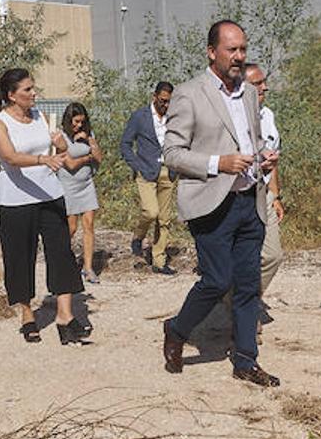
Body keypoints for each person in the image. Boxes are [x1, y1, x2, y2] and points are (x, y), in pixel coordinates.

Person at [161, 20, 279, 387]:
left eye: (243, 49)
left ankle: (246, 360)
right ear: (212, 52)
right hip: (211, 204)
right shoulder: (188, 94)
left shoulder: (249, 94)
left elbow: (252, 141)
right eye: (232, 50)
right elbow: (172, 154)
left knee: (248, 285)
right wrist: (218, 163)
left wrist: (264, 157)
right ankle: (177, 330)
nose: (239, 56)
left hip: (250, 200)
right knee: (217, 280)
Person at [0, 68, 90, 346]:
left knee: (62, 252)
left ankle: (65, 316)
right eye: (27, 89)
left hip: (49, 195)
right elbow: (9, 157)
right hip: (16, 200)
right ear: (12, 95)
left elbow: (62, 155)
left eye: (33, 88)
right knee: (20, 257)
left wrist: (61, 146)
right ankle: (27, 314)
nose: (34, 93)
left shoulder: (41, 116)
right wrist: (42, 160)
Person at [120, 81, 178, 274]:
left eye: (169, 101)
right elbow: (125, 144)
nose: (166, 105)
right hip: (146, 171)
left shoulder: (174, 117)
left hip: (168, 172)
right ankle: (138, 237)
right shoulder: (140, 116)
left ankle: (159, 261)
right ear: (154, 97)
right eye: (163, 101)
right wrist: (137, 166)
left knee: (164, 219)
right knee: (150, 212)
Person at [247, 62, 286, 301]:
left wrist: (276, 196)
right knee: (243, 257)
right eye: (257, 83)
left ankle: (245, 300)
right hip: (240, 194)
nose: (264, 87)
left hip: (265, 193)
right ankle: (241, 308)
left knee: (272, 255)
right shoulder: (232, 119)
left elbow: (274, 159)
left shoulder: (268, 116)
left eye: (264, 82)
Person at [57, 103, 103, 283]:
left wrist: (90, 141)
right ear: (68, 120)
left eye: (82, 122)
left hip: (86, 184)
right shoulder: (61, 138)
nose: (79, 125)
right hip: (67, 186)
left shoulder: (88, 135)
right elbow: (70, 164)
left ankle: (88, 268)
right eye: (76, 122)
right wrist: (88, 157)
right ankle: (61, 260)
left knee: (89, 225)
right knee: (71, 228)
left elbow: (99, 158)